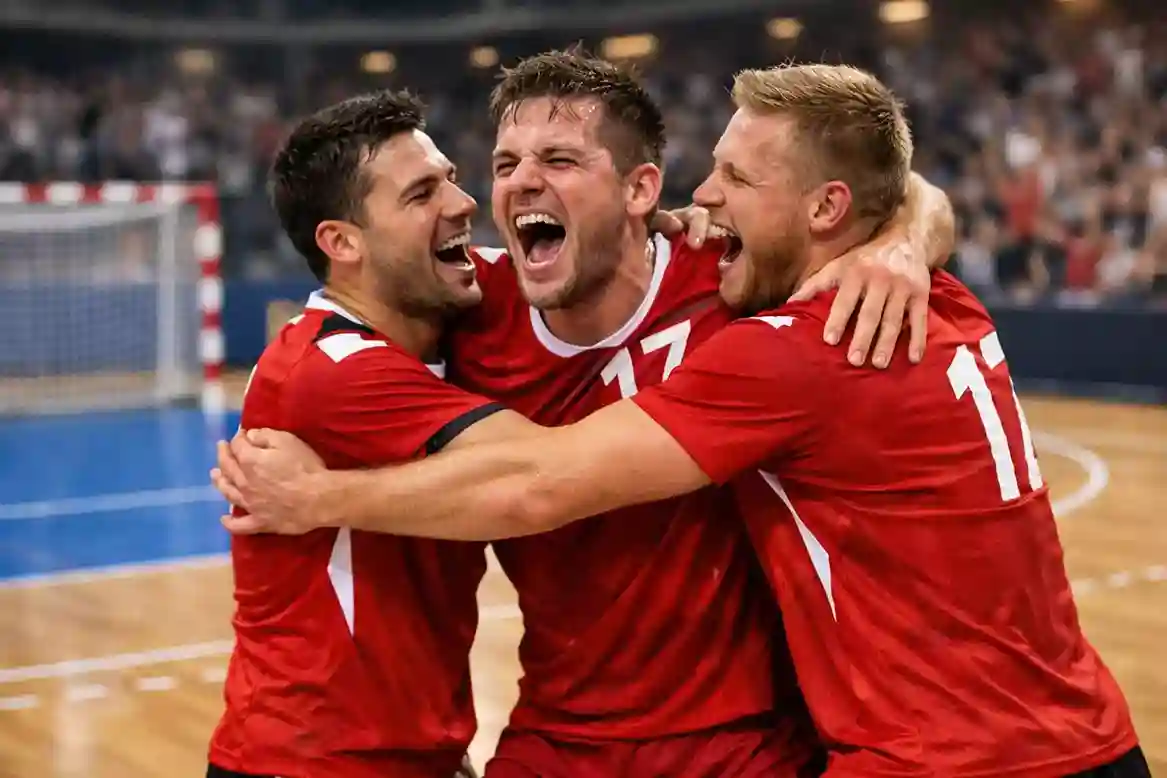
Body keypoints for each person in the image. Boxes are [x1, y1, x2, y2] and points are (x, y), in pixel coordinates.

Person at [214, 65, 1145, 777]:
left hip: (752, 741)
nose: (506, 188)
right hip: (559, 737)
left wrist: (903, 235)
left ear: (637, 190)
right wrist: (903, 236)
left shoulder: (746, 295)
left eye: (560, 161)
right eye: (503, 166)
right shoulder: (474, 298)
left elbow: (533, 482)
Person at [205, 89, 512, 778]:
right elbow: (533, 476)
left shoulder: (422, 332)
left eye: (452, 180)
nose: (463, 205)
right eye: (420, 194)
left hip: (401, 754)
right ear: (342, 243)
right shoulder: (333, 373)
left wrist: (675, 229)